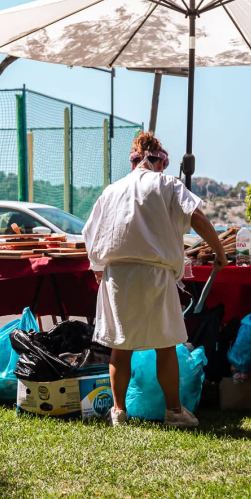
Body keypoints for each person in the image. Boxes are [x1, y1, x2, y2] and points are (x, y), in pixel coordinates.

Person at [83, 132, 227, 428]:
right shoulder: (168, 184)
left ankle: (119, 413)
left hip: (117, 274)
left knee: (120, 346)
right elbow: (196, 216)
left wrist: (97, 265)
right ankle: (174, 411)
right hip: (155, 273)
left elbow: (90, 232)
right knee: (165, 345)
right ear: (159, 161)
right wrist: (219, 251)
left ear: (134, 161)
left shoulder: (112, 190)